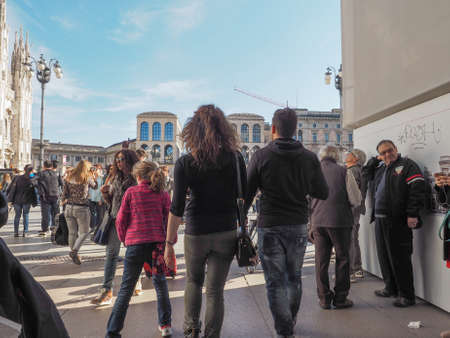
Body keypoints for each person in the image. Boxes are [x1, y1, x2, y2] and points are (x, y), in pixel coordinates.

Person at [244, 108, 329, 338]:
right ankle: (288, 321)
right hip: (298, 225)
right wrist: (301, 183)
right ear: (296, 130)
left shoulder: (261, 156)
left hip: (270, 224)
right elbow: (322, 191)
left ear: (272, 129)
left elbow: (247, 192)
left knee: (275, 281)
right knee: (294, 277)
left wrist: (240, 222)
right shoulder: (309, 158)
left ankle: (284, 329)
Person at [164, 104, 246, 338]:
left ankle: (191, 331)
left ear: (193, 130)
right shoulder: (236, 158)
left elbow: (176, 208)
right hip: (226, 230)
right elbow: (244, 195)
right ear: (224, 129)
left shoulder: (185, 163)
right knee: (215, 291)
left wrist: (168, 244)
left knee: (193, 282)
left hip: (196, 231)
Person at [106, 161, 172, 337]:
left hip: (135, 244)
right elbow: (168, 219)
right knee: (160, 284)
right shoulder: (163, 194)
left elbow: (120, 220)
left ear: (137, 176)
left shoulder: (131, 192)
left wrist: (124, 239)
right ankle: (165, 325)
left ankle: (112, 331)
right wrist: (167, 241)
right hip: (157, 245)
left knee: (126, 288)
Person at [363, 140, 425, 307]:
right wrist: (375, 160)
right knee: (384, 257)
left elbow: (417, 189)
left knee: (400, 259)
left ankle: (407, 296)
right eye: (383, 153)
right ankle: (390, 288)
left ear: (396, 149)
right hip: (380, 219)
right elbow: (365, 173)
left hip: (397, 221)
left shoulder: (407, 165)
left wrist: (412, 214)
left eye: (389, 150)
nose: (387, 154)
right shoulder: (381, 168)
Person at [310, 145, 361, 310]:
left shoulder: (311, 172)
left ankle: (324, 298)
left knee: (321, 261)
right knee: (343, 259)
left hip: (318, 222)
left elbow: (305, 200)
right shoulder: (344, 171)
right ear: (336, 156)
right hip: (340, 221)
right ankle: (340, 298)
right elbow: (355, 199)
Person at [91, 150, 139, 306]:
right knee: (111, 254)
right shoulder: (115, 177)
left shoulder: (138, 178)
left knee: (133, 255)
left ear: (130, 160)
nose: (119, 162)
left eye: (122, 159)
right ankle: (107, 290)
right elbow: (113, 202)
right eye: (117, 159)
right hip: (114, 218)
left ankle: (136, 282)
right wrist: (106, 195)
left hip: (132, 221)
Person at [61, 160, 98, 265]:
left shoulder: (68, 178)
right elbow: (95, 186)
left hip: (68, 207)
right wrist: (94, 175)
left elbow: (64, 195)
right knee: (85, 232)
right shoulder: (87, 178)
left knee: (72, 232)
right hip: (81, 208)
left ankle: (74, 253)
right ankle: (74, 251)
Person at [344, 149, 367, 282]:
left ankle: (352, 270)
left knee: (350, 239)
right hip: (356, 208)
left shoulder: (352, 171)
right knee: (354, 238)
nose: (347, 154)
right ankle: (357, 268)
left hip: (350, 209)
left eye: (350, 153)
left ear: (355, 159)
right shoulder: (359, 170)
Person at [7, 165, 37, 237]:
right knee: (25, 215)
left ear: (24, 170)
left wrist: (10, 200)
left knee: (17, 216)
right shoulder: (31, 179)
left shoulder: (17, 178)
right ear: (31, 171)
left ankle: (16, 232)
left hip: (17, 200)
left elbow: (11, 188)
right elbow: (34, 189)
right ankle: (25, 232)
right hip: (27, 200)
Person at [35, 160, 62, 235]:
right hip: (55, 196)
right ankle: (56, 228)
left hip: (45, 196)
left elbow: (33, 181)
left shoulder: (41, 173)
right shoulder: (57, 173)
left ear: (44, 166)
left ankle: (45, 229)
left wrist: (39, 187)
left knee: (45, 214)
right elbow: (61, 183)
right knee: (56, 213)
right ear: (52, 166)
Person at [88, 165, 104, 229]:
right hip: (91, 198)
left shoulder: (101, 178)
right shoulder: (91, 178)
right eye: (96, 169)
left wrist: (101, 199)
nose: (97, 170)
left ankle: (98, 227)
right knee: (92, 213)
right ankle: (92, 227)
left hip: (98, 199)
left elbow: (102, 189)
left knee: (99, 215)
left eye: (99, 169)